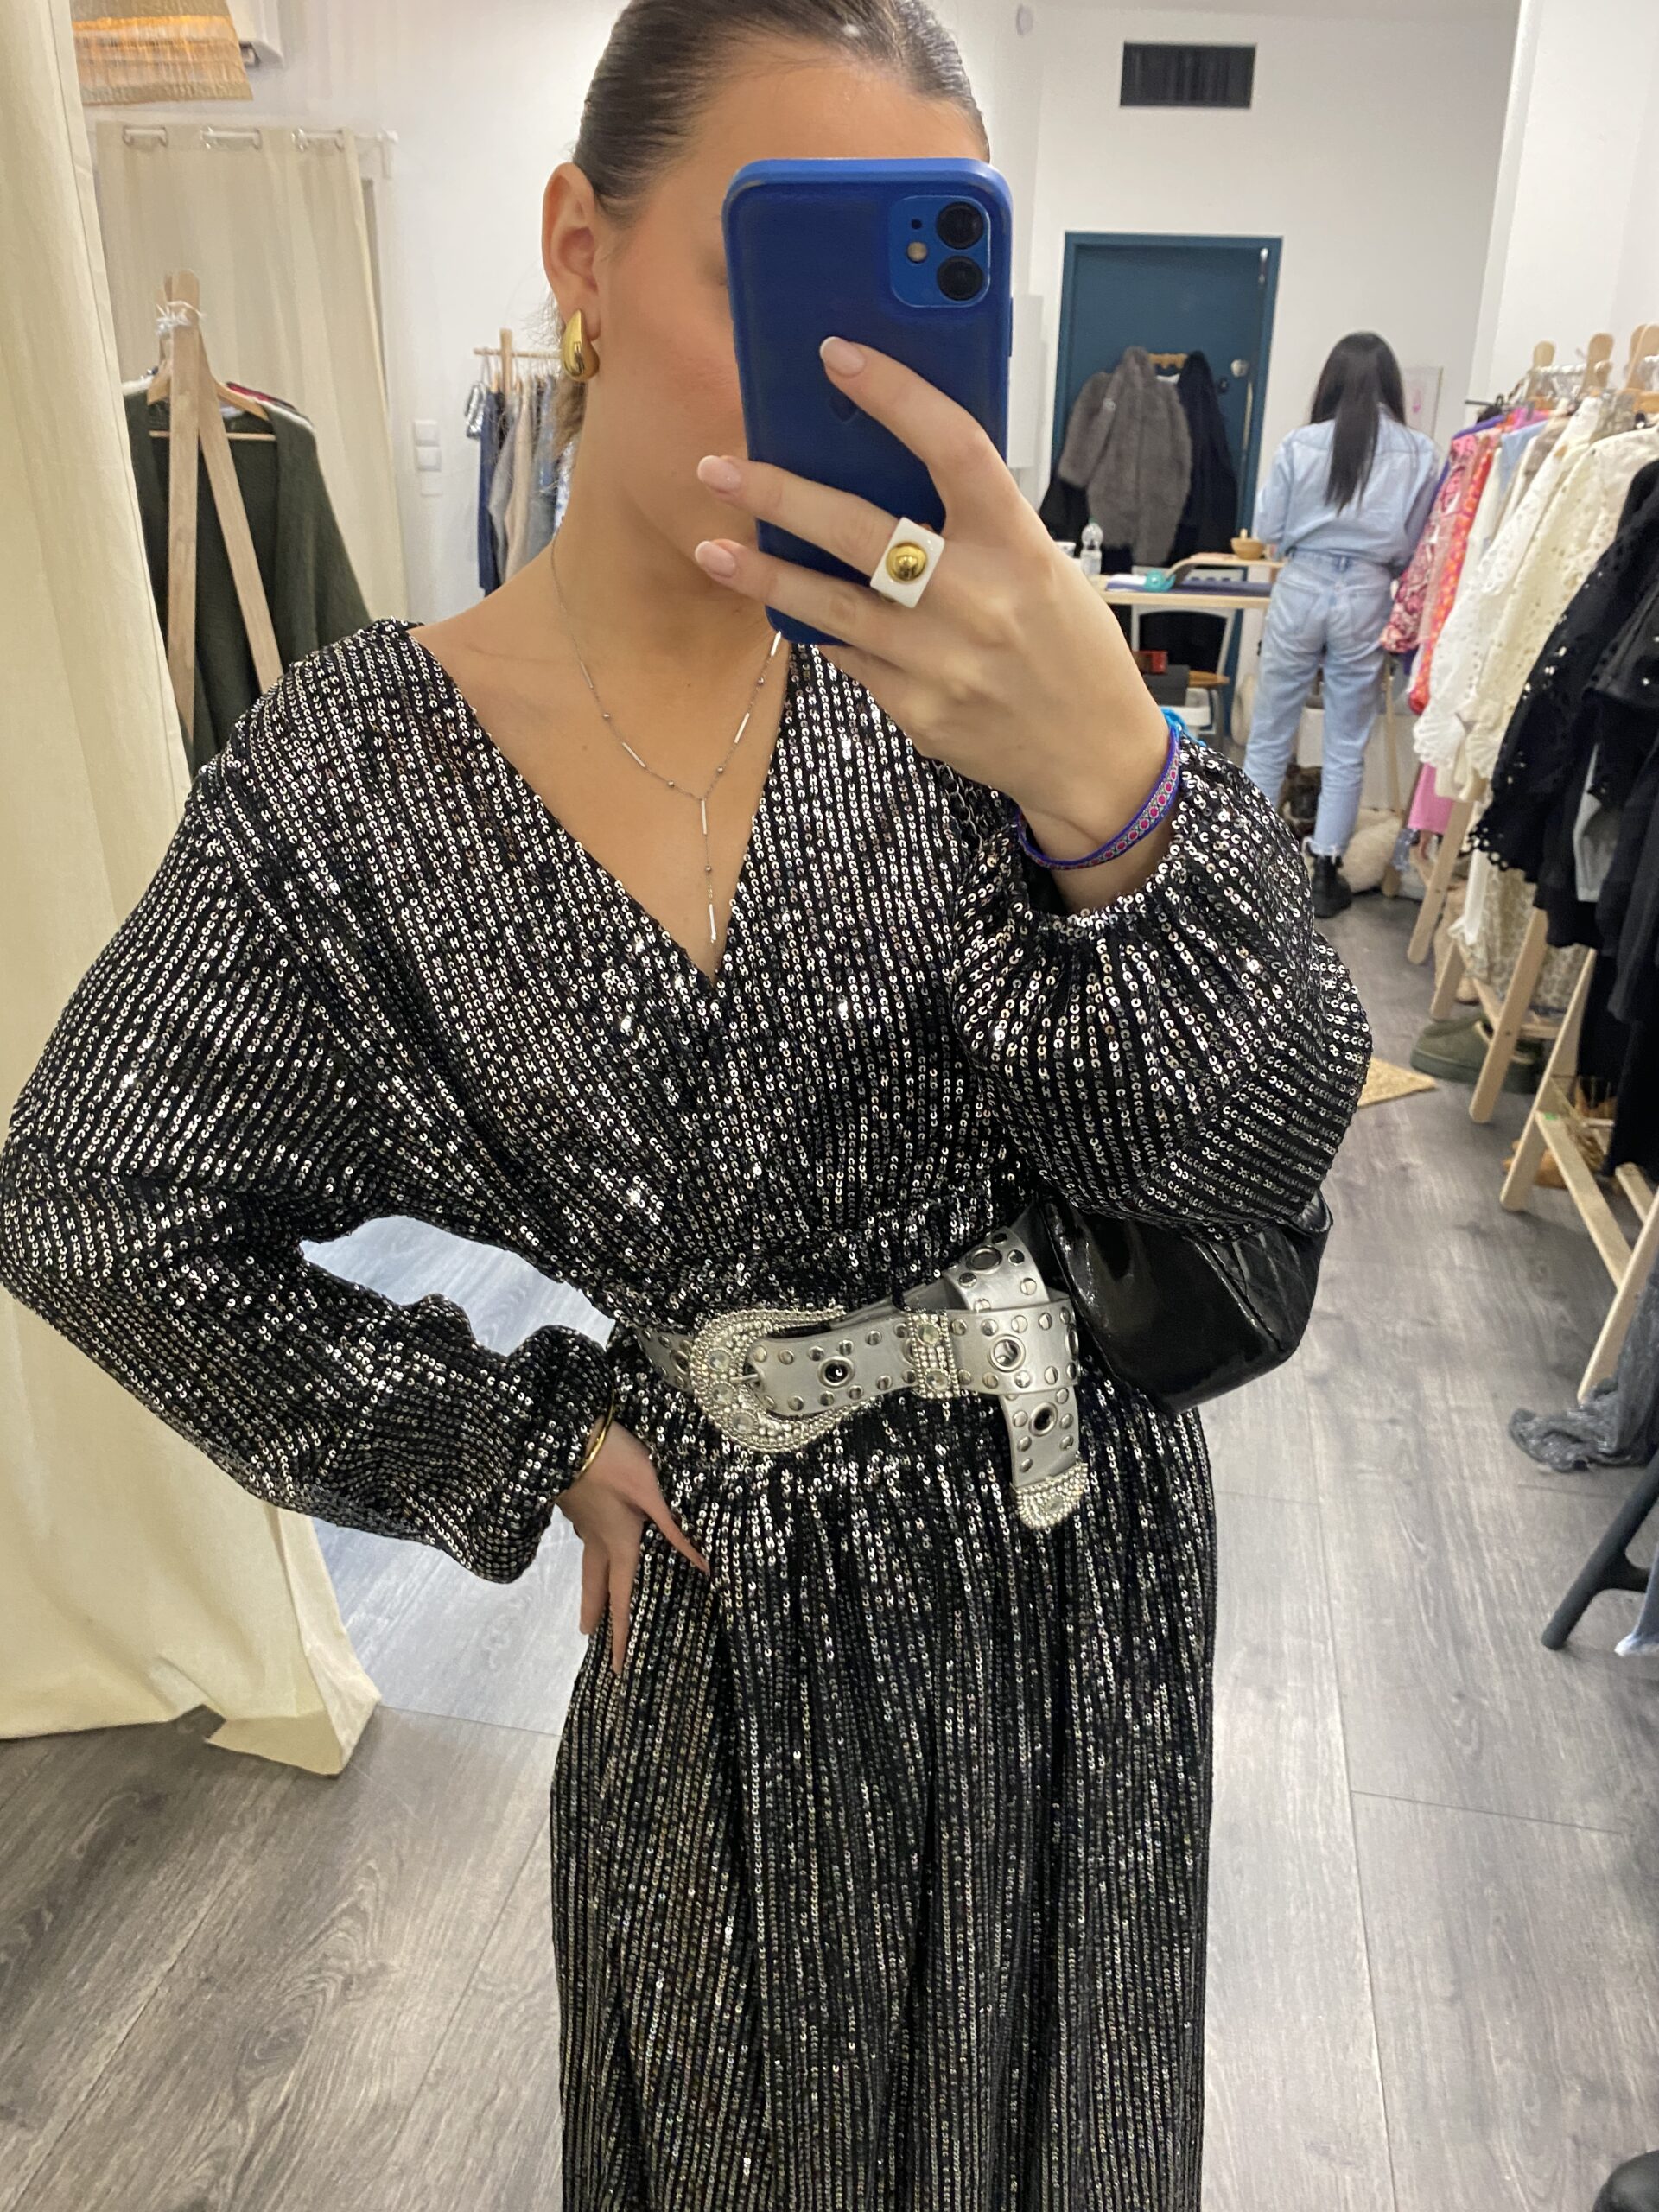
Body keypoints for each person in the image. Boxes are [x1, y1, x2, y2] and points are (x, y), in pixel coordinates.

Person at [0, 2, 1370, 2202]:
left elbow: (1263, 1139)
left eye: (914, 290)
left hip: (1077, 1591)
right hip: (738, 1640)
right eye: (779, 263)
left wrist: (1116, 792)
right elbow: (89, 1193)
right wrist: (507, 1434)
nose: (847, 374)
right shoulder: (356, 783)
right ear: (583, 247)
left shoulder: (1003, 692)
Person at [1243, 331, 1440, 918]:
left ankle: (1250, 863)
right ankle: (1326, 872)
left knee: (1270, 730)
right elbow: (1416, 544)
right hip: (1368, 592)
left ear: (1330, 383)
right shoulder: (1421, 453)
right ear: (1391, 387)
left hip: (1302, 582)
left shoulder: (1300, 444)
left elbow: (1266, 528)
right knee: (1347, 740)